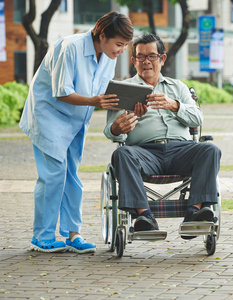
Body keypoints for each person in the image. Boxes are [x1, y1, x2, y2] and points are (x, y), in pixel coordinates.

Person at [19, 12, 134, 253]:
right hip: (49, 116)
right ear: (102, 35)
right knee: (53, 175)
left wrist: (129, 102)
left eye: (125, 46)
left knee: (72, 175)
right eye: (119, 44)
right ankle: (42, 237)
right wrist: (95, 101)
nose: (122, 50)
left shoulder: (109, 56)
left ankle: (73, 235)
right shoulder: (69, 47)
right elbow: (61, 92)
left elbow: (104, 93)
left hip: (77, 120)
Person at [103, 33, 221, 237]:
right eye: (140, 56)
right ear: (133, 61)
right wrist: (119, 128)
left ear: (162, 59)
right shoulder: (121, 90)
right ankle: (144, 217)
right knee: (121, 155)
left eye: (152, 56)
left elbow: (197, 118)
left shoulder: (178, 87)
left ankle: (194, 213)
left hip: (181, 151)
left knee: (210, 149)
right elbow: (111, 132)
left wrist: (174, 105)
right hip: (144, 153)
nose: (146, 61)